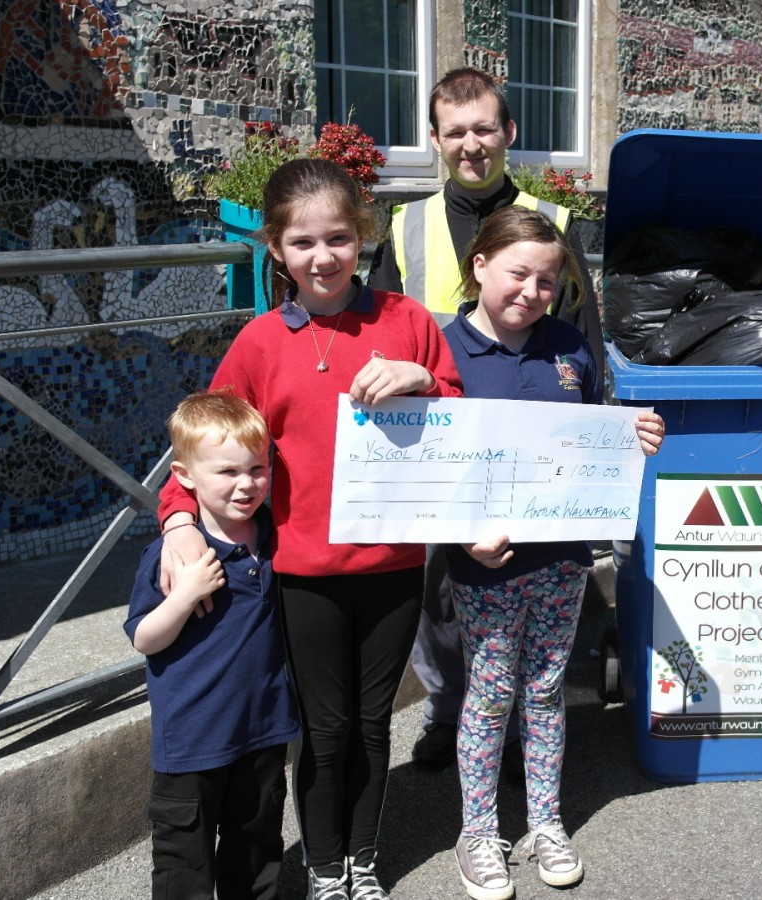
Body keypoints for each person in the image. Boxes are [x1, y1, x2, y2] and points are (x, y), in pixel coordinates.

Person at [157, 158, 464, 900]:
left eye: (337, 238)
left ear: (362, 235)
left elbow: (461, 414)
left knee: (371, 724)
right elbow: (202, 446)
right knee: (324, 728)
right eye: (303, 244)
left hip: (392, 564)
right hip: (301, 573)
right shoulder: (261, 343)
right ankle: (325, 864)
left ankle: (363, 856)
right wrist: (176, 523)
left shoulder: (407, 321)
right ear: (276, 250)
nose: (323, 258)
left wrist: (423, 379)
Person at [366, 66, 603, 771]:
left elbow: (585, 339)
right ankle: (452, 715)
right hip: (440, 450)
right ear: (436, 139)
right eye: (457, 132)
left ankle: (516, 730)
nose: (472, 145)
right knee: (438, 595)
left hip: (534, 454)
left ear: (509, 133)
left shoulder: (552, 223)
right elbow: (378, 342)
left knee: (529, 590)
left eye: (485, 129)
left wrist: (600, 446)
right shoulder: (406, 225)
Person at [439, 206, 664, 900]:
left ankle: (546, 822)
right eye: (518, 275)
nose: (531, 292)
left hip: (563, 558)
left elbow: (592, 434)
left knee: (544, 692)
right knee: (489, 694)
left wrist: (636, 435)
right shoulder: (443, 349)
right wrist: (458, 534)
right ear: (479, 267)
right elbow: (428, 463)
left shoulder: (570, 346)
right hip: (488, 565)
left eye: (546, 280)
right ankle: (478, 832)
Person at [128, 389, 299, 900]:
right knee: (185, 867)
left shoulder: (273, 535)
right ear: (184, 477)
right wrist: (184, 598)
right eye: (227, 472)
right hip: (191, 743)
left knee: (256, 851)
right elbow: (143, 637)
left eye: (257, 469)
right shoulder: (173, 556)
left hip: (263, 733)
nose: (246, 484)